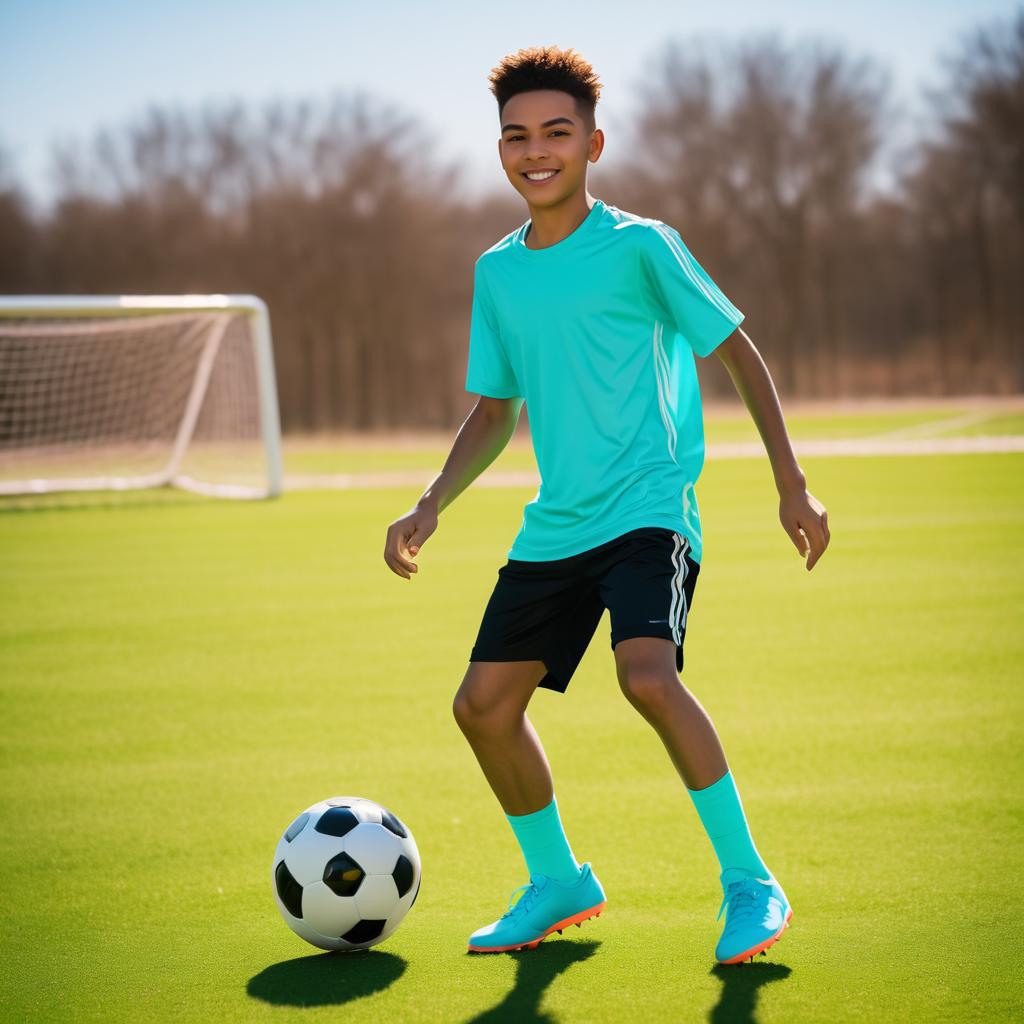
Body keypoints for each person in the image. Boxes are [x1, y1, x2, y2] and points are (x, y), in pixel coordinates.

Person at [384, 45, 829, 965]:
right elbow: (496, 410)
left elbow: (739, 353)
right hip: (559, 522)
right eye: (516, 135)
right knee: (482, 707)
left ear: (594, 143)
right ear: (499, 149)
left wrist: (791, 481)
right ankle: (557, 883)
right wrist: (430, 503)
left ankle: (750, 881)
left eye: (556, 132)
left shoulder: (641, 245)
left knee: (645, 675)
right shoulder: (497, 272)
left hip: (649, 508)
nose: (535, 150)